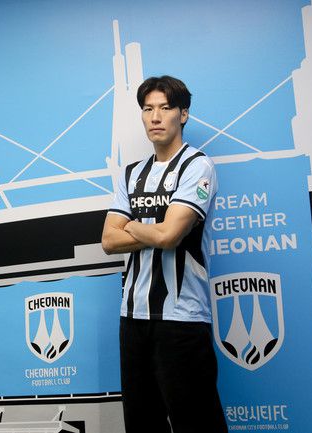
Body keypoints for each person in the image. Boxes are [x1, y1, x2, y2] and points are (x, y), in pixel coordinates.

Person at [102, 75, 227, 433]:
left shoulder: (197, 166)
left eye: (165, 108)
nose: (155, 117)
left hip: (181, 318)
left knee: (198, 424)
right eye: (148, 109)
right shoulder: (131, 174)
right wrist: (153, 230)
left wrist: (132, 225)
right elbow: (108, 240)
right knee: (142, 425)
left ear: (183, 114)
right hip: (132, 319)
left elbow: (170, 236)